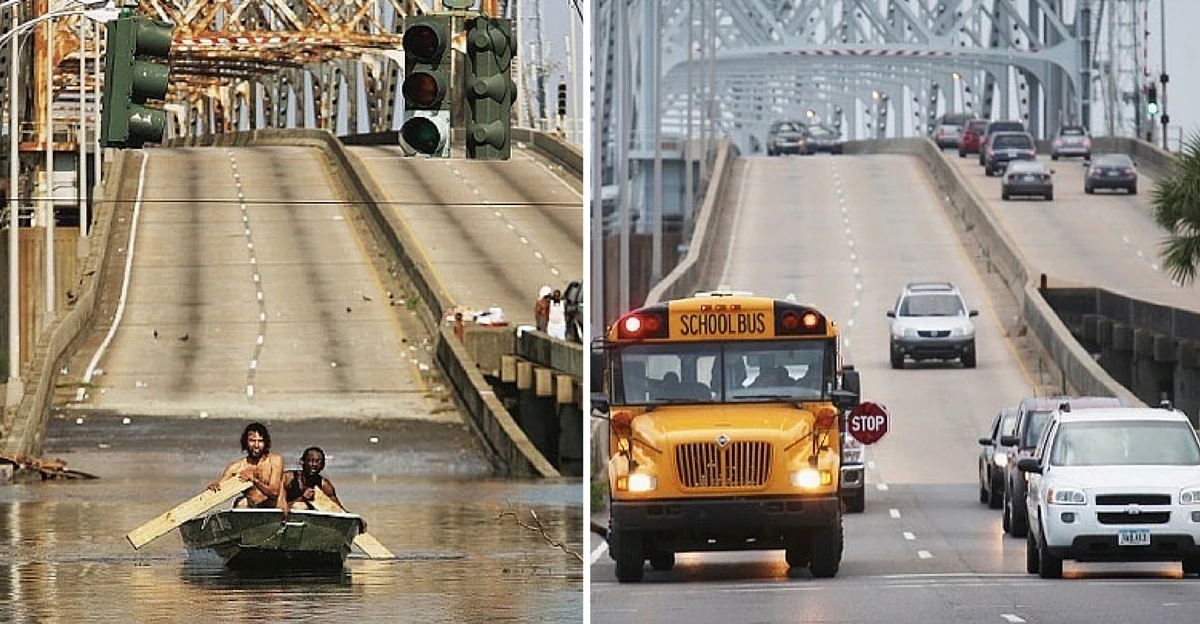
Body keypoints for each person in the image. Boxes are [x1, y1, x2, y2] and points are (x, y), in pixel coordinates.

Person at [276, 446, 364, 530]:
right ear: (302, 461)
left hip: (310, 524)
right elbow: (278, 506)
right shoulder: (288, 478)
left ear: (323, 465)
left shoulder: (324, 485)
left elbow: (337, 509)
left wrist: (355, 519)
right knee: (300, 506)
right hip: (285, 517)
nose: (314, 465)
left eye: (318, 462)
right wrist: (302, 498)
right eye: (310, 461)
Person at [207, 422, 284, 509]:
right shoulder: (236, 468)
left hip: (272, 508)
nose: (256, 445)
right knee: (241, 502)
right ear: (245, 442)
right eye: (252, 441)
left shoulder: (275, 460)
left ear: (266, 442)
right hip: (251, 508)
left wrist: (254, 481)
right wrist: (213, 487)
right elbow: (219, 487)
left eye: (260, 441)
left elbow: (274, 492)